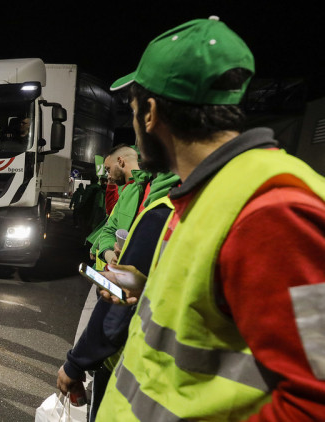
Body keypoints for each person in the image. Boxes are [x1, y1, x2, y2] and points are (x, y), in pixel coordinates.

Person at [96, 17, 325, 420]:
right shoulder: (205, 191)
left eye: (133, 111)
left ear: (150, 113)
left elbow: (313, 401)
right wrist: (143, 287)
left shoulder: (273, 209)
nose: (133, 128)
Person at [56, 170, 180, 420]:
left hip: (134, 372)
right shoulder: (229, 205)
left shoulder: (163, 213)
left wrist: (76, 363)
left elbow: (119, 304)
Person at [90, 144, 146, 270]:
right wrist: (109, 255)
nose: (108, 175)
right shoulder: (126, 191)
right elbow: (109, 229)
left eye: (108, 169)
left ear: (120, 162)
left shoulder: (149, 188)